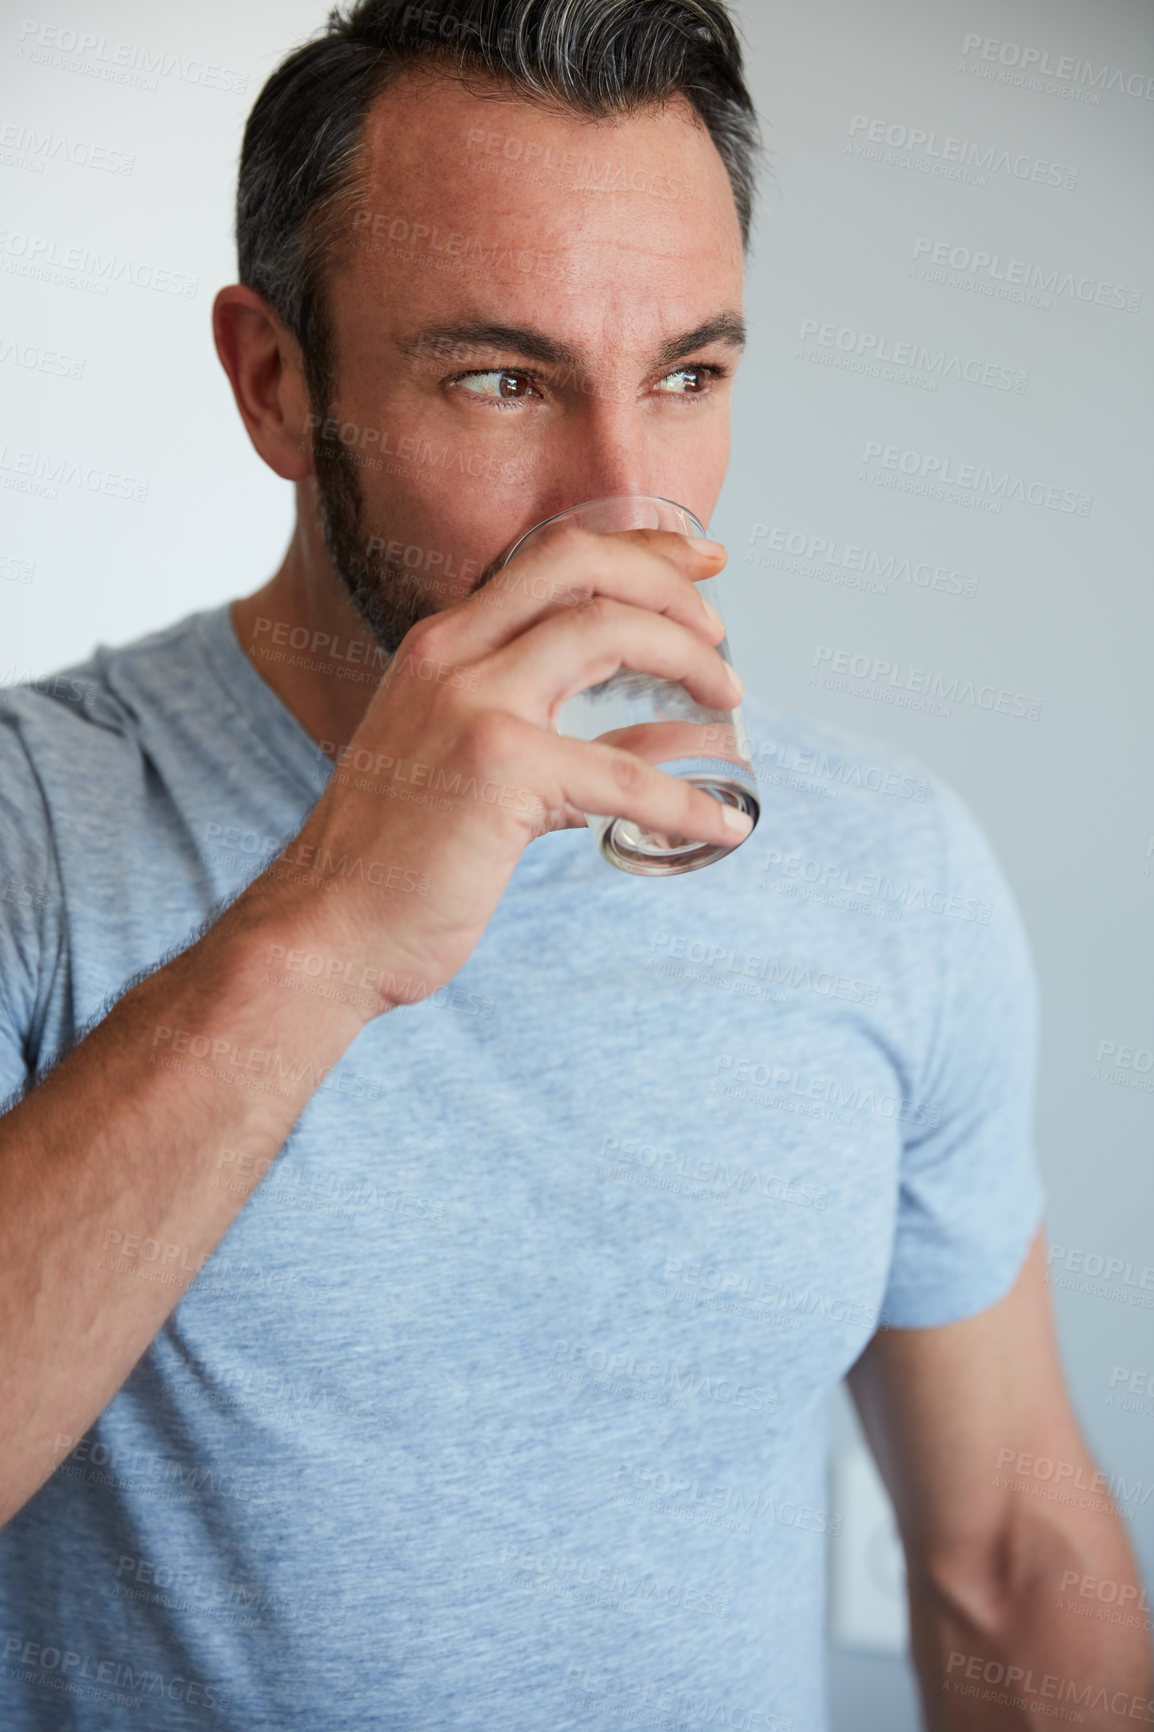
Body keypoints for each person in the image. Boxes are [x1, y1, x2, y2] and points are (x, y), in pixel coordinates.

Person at [0, 2, 1148, 1727]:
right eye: (501, 379)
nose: (625, 506)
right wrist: (324, 932)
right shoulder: (36, 831)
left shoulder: (888, 872)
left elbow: (1003, 1553)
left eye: (686, 375)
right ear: (276, 382)